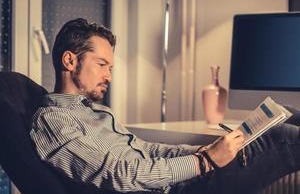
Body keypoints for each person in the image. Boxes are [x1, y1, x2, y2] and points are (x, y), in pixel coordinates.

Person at [30, 18, 300, 194]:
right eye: (102, 65)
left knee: (288, 115)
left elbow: (146, 149)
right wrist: (203, 163)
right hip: (178, 189)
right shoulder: (53, 121)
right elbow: (119, 174)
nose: (109, 76)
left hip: (183, 179)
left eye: (110, 67)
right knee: (282, 139)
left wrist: (200, 152)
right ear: (70, 61)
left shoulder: (97, 112)